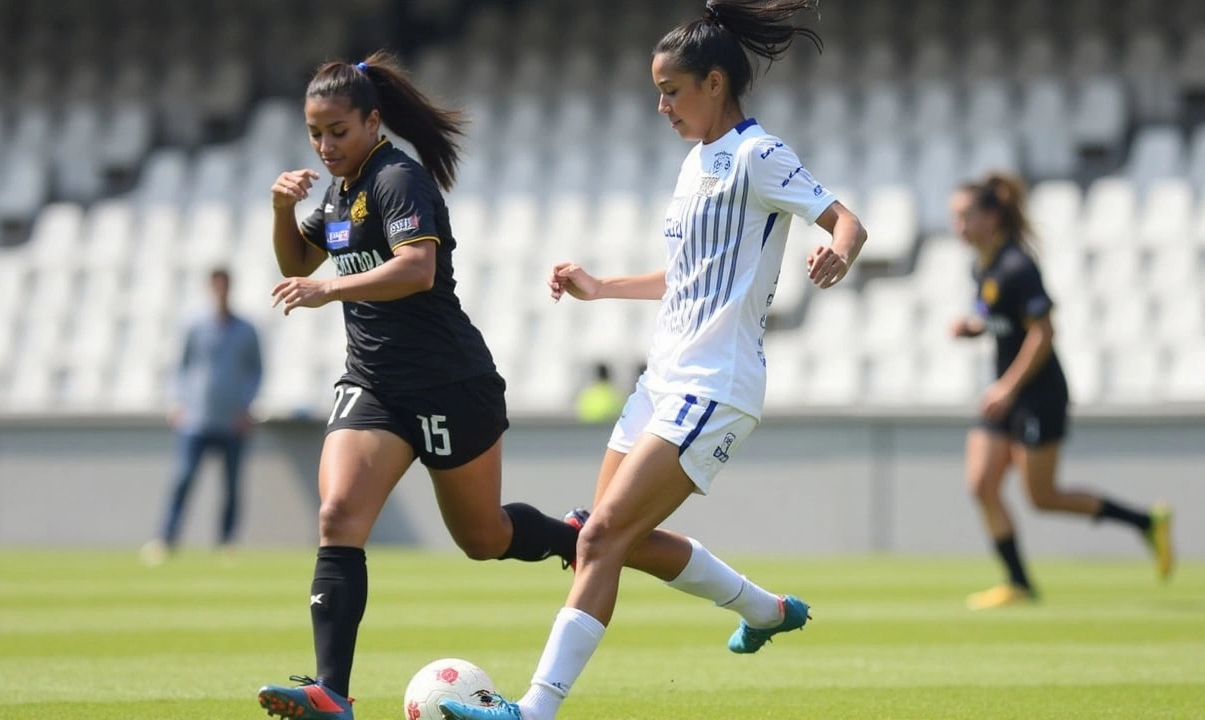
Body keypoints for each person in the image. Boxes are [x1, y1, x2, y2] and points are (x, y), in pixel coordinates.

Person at [256, 49, 827, 720]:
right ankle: (332, 691)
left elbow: (415, 270)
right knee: (338, 517)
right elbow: (299, 255)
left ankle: (568, 571)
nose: (325, 146)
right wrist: (278, 210)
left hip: (449, 383)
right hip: (374, 384)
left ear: (372, 121)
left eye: (337, 132)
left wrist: (328, 289)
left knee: (490, 538)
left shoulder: (397, 181)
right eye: (314, 134)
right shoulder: (337, 190)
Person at [439, 3, 868, 720]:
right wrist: (603, 287)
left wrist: (838, 251)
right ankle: (766, 611)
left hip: (715, 382)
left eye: (672, 89)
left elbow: (845, 219)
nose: (661, 105)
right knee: (606, 538)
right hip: (660, 379)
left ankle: (534, 710)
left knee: (601, 534)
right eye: (658, 91)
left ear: (715, 82)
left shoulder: (759, 155)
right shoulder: (695, 162)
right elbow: (689, 276)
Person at [947, 173, 1174, 610]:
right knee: (980, 483)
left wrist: (1009, 387)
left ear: (991, 217)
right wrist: (973, 328)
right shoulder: (982, 264)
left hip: (1036, 393)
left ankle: (1147, 521)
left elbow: (1044, 332)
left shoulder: (1017, 266)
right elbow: (996, 317)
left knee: (1043, 497)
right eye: (954, 218)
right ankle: (1018, 583)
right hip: (1005, 392)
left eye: (965, 217)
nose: (958, 227)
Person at [141, 267, 263, 566]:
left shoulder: (246, 330)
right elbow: (181, 366)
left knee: (232, 485)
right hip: (196, 419)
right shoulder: (194, 326)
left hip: (232, 420)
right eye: (216, 286)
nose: (221, 291)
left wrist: (246, 407)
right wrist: (179, 402)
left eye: (225, 286)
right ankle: (166, 539)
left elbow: (256, 371)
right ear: (210, 288)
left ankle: (228, 541)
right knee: (183, 479)